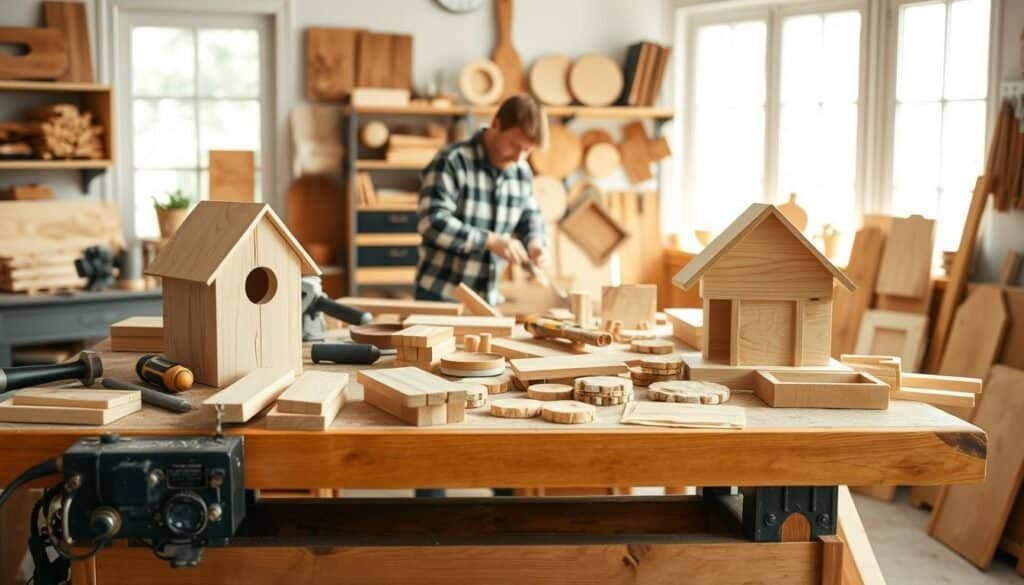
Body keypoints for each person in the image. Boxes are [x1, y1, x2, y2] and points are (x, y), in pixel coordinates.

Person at [416, 93, 550, 307]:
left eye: (527, 150)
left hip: (487, 301)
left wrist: (535, 243)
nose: (519, 157)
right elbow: (432, 222)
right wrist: (490, 241)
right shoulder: (452, 161)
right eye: (515, 145)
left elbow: (530, 216)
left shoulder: (521, 171)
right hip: (440, 298)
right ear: (496, 125)